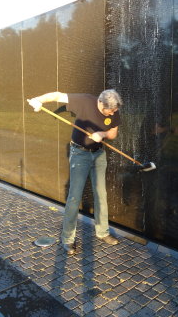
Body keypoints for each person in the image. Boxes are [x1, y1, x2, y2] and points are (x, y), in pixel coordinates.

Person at [28, 89, 123, 255]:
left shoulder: (114, 109)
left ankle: (103, 232)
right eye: (111, 110)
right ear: (101, 104)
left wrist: (103, 134)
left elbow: (113, 132)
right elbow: (56, 95)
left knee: (101, 193)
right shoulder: (85, 100)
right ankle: (68, 239)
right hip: (80, 154)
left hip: (99, 154)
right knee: (74, 196)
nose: (114, 113)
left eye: (115, 110)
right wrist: (38, 99)